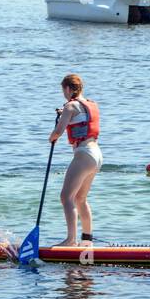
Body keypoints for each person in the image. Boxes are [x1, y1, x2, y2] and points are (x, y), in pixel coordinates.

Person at [48, 74, 102, 247]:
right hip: (96, 154)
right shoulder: (90, 104)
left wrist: (51, 138)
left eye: (63, 90)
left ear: (68, 89)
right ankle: (87, 241)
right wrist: (64, 114)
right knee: (80, 198)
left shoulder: (70, 106)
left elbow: (58, 131)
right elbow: (79, 118)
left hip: (84, 154)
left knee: (66, 196)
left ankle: (71, 240)